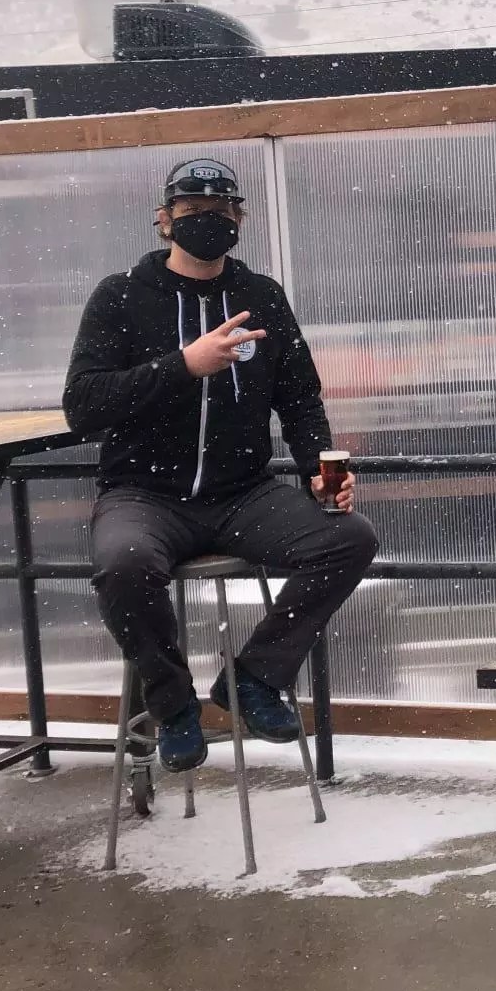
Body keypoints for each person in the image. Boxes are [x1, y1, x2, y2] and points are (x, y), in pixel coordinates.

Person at [63, 157, 378, 773]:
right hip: (144, 494)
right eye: (192, 210)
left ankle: (253, 679)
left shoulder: (261, 297)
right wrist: (184, 365)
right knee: (123, 565)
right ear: (164, 220)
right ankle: (174, 705)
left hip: (243, 493)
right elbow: (84, 405)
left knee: (349, 539)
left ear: (239, 219)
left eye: (220, 210)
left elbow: (299, 397)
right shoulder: (121, 295)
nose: (207, 220)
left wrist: (319, 471)